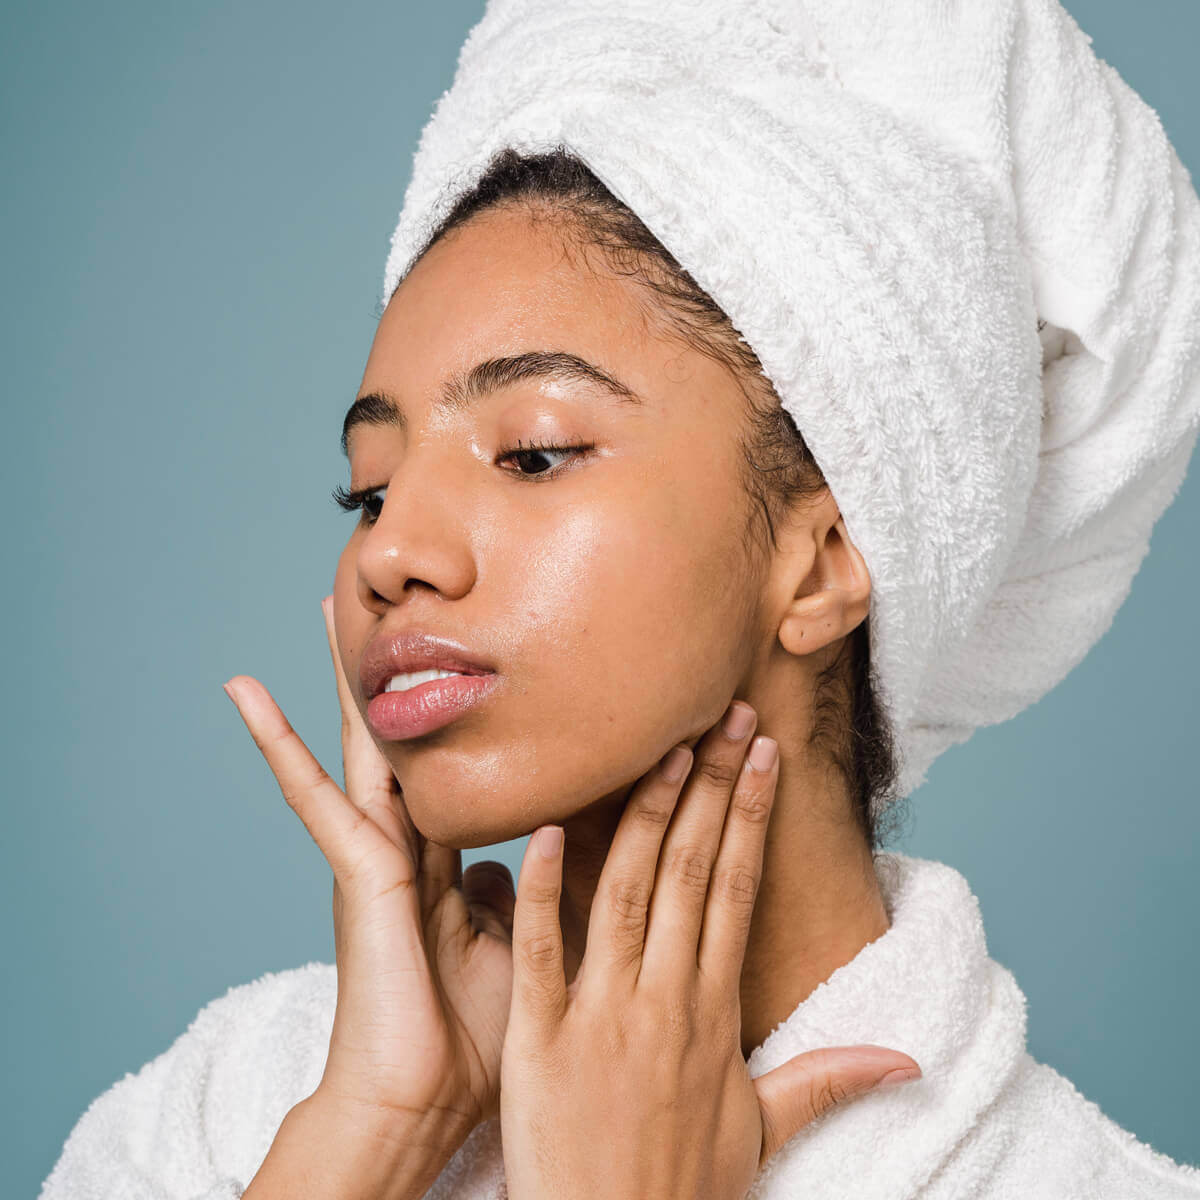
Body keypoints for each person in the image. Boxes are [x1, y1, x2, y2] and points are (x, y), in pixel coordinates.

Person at [39, 1, 1200, 1197]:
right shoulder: (222, 1120)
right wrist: (379, 1131)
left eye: (533, 453)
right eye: (370, 490)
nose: (389, 554)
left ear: (822, 560)